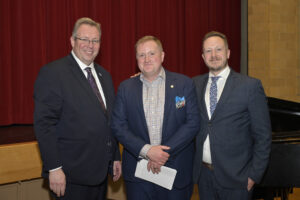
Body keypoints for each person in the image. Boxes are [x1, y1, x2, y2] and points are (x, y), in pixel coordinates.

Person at [33, 17, 121, 200]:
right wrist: (54, 168)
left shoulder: (105, 76)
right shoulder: (53, 73)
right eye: (84, 39)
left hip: (100, 174)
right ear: (72, 41)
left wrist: (115, 157)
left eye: (95, 40)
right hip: (69, 178)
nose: (90, 45)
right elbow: (44, 125)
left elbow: (108, 122)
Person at [111, 35, 200, 200]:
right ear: (136, 58)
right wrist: (147, 151)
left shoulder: (184, 84)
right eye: (141, 55)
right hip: (139, 176)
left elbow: (192, 123)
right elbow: (118, 126)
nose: (147, 59)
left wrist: (161, 153)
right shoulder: (125, 88)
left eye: (152, 53)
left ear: (162, 56)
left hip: (175, 172)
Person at [192, 31, 272, 199]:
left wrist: (254, 175)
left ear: (228, 53)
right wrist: (146, 80)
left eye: (218, 49)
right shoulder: (194, 84)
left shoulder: (250, 86)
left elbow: (263, 135)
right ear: (202, 56)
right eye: (208, 51)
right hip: (204, 176)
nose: (213, 55)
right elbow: (173, 100)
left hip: (238, 179)